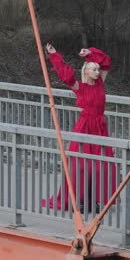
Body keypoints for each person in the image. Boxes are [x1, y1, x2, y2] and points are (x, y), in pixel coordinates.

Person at [42, 43, 117, 213]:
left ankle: (97, 199)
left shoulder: (100, 85)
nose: (98, 72)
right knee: (80, 165)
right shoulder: (79, 88)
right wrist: (55, 55)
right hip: (84, 127)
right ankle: (79, 199)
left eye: (98, 70)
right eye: (94, 69)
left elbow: (106, 62)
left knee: (102, 164)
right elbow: (66, 76)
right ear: (86, 72)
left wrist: (90, 52)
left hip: (99, 127)